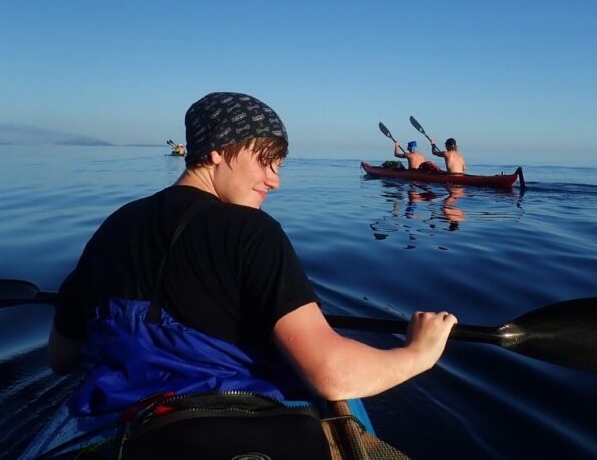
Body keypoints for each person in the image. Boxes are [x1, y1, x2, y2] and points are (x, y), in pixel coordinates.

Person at [48, 92, 457, 415]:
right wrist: (417, 353)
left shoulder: (115, 224)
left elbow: (62, 357)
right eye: (264, 162)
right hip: (234, 422)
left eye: (278, 164)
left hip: (125, 421)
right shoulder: (252, 232)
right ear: (217, 152)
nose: (274, 181)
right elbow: (333, 376)